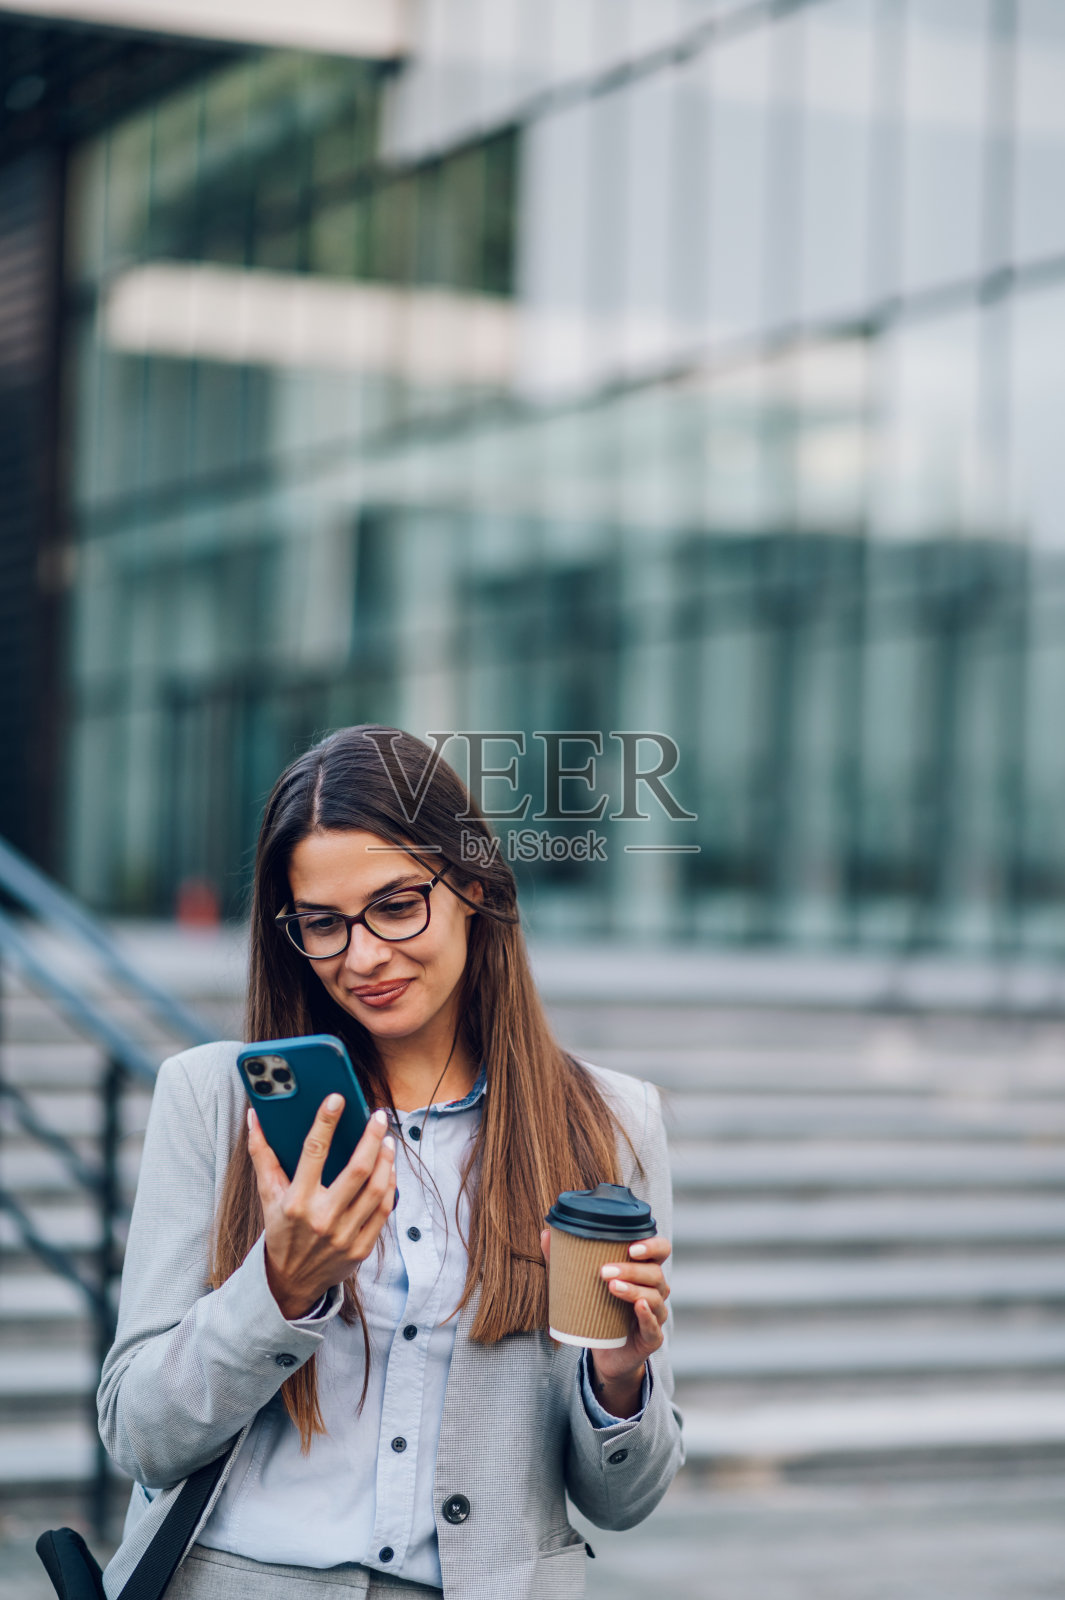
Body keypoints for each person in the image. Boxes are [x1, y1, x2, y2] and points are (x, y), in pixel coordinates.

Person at [97, 725, 684, 1600]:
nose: (363, 956)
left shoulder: (608, 1124)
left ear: (474, 887)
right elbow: (138, 1434)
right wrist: (279, 1289)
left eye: (397, 905)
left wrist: (621, 1377)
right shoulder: (213, 1101)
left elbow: (623, 1501)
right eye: (322, 924)